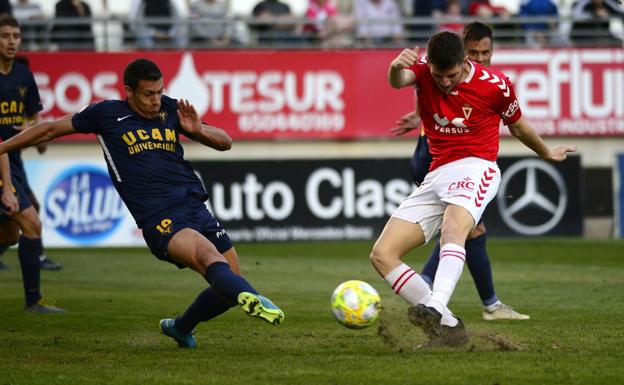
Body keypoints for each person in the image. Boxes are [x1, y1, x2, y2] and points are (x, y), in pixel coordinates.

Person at [0, 58, 285, 348]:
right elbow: (49, 129)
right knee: (208, 257)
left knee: (228, 283)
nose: (156, 100)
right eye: (149, 94)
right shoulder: (106, 114)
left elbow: (226, 142)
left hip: (195, 206)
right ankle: (253, 297)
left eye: (160, 92)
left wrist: (198, 130)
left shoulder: (171, 109)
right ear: (129, 91)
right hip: (159, 217)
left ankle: (181, 327)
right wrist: (3, 147)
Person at [374, 30, 576, 346]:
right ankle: (451, 329)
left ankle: (436, 306)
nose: (443, 82)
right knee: (383, 254)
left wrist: (546, 151)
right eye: (438, 76)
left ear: (464, 60)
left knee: (452, 229)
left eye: (451, 75)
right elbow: (397, 81)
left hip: (476, 166)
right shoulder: (425, 69)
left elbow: (518, 125)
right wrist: (394, 66)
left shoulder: (496, 86)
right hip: (437, 173)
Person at [390, 22, 529, 321]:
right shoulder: (436, 70)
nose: (480, 59)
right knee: (461, 230)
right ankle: (457, 298)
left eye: (486, 52)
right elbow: (415, 82)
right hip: (436, 158)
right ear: (464, 52)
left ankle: (454, 300)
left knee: (466, 230)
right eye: (475, 52)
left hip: (460, 162)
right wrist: (418, 114)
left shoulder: (488, 83)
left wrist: (416, 115)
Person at [0, 15, 64, 312]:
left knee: (11, 233)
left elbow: (34, 121)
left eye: (16, 35)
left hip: (12, 159)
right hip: (0, 159)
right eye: (5, 36)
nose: (11, 41)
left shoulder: (24, 76)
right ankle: (34, 301)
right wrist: (8, 188)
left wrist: (37, 137)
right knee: (31, 222)